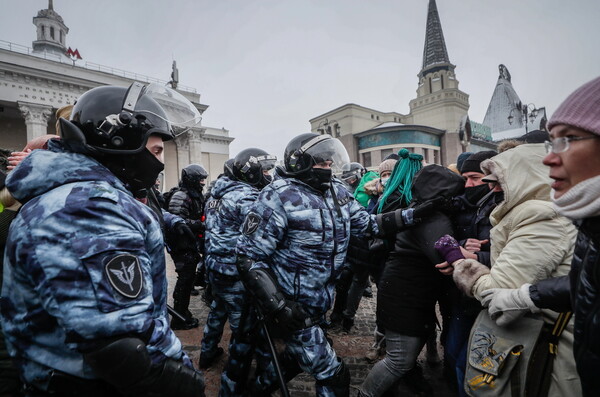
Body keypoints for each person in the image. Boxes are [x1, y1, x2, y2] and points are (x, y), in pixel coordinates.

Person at [0, 83, 205, 396]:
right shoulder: (91, 207)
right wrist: (181, 382)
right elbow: (123, 348)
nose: (160, 162)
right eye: (156, 150)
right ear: (121, 141)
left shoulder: (78, 194)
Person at [235, 133, 440, 396]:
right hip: (292, 306)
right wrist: (279, 306)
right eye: (322, 163)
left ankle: (255, 391)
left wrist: (414, 214)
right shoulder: (278, 196)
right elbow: (248, 256)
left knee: (296, 360)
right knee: (334, 376)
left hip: (320, 303)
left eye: (330, 164)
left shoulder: (337, 191)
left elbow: (367, 225)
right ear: (301, 162)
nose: (328, 168)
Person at [481, 76, 600, 397]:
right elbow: (588, 283)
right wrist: (531, 294)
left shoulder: (545, 214)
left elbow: (499, 290)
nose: (549, 159)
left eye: (569, 138)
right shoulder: (590, 224)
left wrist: (473, 274)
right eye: (552, 142)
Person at [435, 143, 581, 397]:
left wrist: (460, 263)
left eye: (500, 180)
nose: (493, 188)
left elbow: (499, 295)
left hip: (542, 348)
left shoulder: (542, 218)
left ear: (527, 177)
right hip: (530, 340)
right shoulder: (530, 212)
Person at [358, 164, 465, 397]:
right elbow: (442, 259)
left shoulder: (424, 209)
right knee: (398, 361)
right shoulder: (433, 218)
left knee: (402, 359)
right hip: (404, 296)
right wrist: (464, 251)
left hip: (406, 292)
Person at [203, 148, 277, 395]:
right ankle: (234, 384)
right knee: (243, 331)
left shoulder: (216, 193)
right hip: (235, 271)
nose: (269, 174)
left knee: (217, 311)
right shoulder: (247, 196)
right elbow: (259, 236)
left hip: (215, 266)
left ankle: (206, 353)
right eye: (265, 170)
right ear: (252, 171)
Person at [443, 150, 498, 395]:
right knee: (454, 354)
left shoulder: (503, 205)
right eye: (465, 178)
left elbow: (510, 256)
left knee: (468, 365)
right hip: (463, 295)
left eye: (475, 177)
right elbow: (457, 237)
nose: (469, 184)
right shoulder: (466, 202)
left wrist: (476, 257)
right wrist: (462, 246)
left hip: (489, 298)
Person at [168, 163, 209, 330]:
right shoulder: (180, 196)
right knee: (185, 279)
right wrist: (200, 224)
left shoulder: (194, 195)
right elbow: (177, 221)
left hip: (189, 243)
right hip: (181, 246)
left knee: (187, 278)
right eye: (200, 179)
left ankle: (182, 312)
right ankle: (179, 317)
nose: (203, 182)